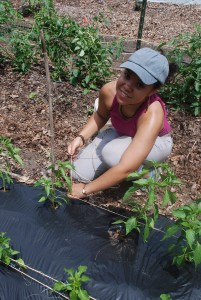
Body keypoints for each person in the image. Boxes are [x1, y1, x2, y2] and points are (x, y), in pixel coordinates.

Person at [67, 47, 174, 199]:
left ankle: (147, 172)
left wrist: (85, 190)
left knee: (112, 155)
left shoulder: (151, 114)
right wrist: (81, 137)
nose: (127, 86)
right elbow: (100, 115)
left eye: (139, 85)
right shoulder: (109, 91)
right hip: (123, 134)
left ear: (152, 91)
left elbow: (125, 167)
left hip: (157, 143)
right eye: (127, 75)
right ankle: (116, 158)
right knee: (76, 172)